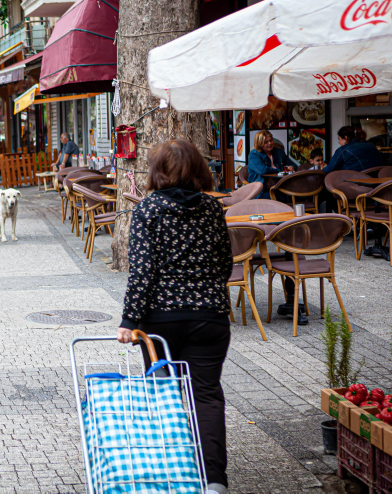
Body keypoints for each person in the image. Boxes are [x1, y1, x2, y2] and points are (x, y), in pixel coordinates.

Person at [115, 140, 231, 494]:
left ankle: (172, 471)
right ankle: (214, 482)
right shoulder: (212, 209)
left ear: (157, 172)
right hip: (209, 315)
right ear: (198, 169)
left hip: (160, 320)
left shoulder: (148, 209)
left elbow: (142, 272)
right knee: (206, 395)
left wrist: (129, 320)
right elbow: (225, 263)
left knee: (163, 394)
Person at [247, 130, 297, 198]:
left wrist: (291, 167)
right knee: (282, 198)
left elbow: (294, 165)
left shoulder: (279, 152)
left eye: (271, 140)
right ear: (259, 144)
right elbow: (262, 170)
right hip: (261, 190)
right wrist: (280, 170)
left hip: (280, 187)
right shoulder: (254, 154)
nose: (270, 143)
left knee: (297, 195)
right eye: (266, 142)